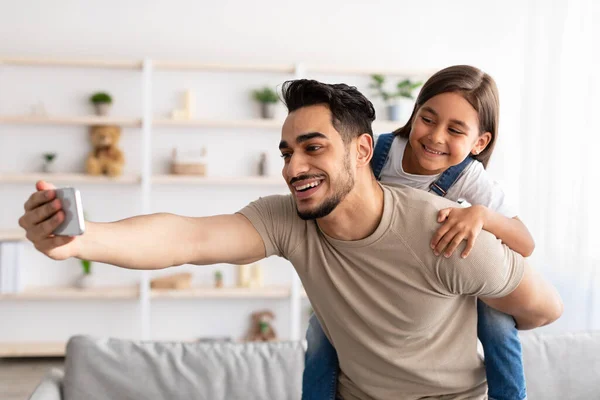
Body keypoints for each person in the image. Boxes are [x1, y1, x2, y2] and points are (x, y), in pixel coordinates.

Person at [18, 79, 563, 400]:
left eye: (313, 147)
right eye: (286, 152)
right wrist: (82, 240)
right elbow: (189, 237)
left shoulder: (441, 227)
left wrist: (460, 316)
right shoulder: (289, 221)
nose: (293, 167)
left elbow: (542, 309)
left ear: (361, 150)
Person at [304, 65, 534, 400]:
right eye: (428, 119)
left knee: (499, 325)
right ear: (414, 114)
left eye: (455, 130)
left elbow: (525, 242)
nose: (436, 137)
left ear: (478, 142)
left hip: (443, 280)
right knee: (318, 330)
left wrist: (481, 215)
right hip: (375, 272)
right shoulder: (375, 155)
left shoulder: (467, 176)